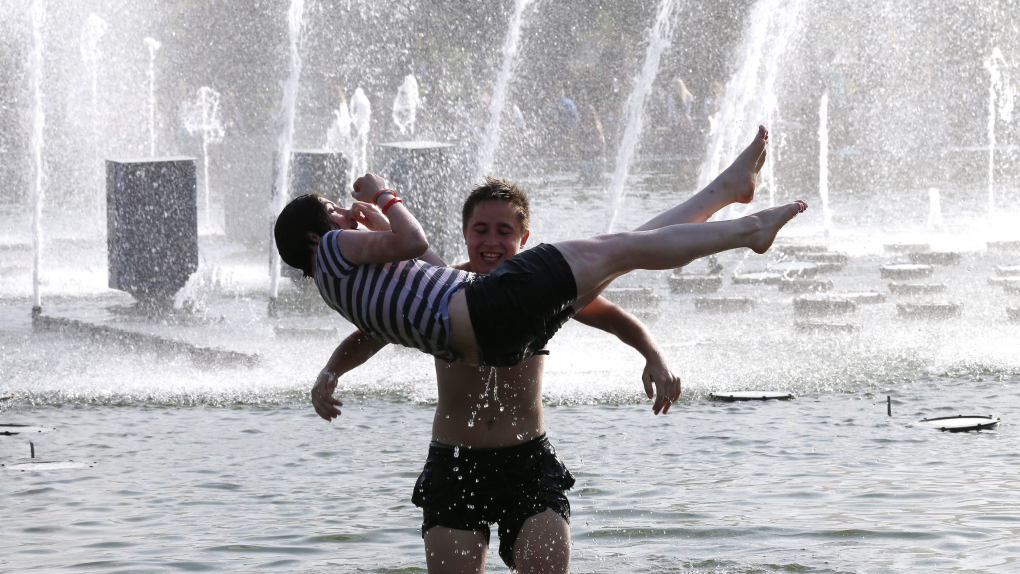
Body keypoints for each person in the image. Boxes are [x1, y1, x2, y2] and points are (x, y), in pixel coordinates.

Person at [310, 179, 687, 573]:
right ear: (465, 234)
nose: (491, 241)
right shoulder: (439, 290)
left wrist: (655, 357)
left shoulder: (539, 294)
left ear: (523, 238)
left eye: (504, 232)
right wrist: (331, 371)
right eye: (481, 230)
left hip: (527, 461)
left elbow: (614, 317)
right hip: (455, 464)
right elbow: (372, 333)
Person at [274, 125, 805, 371]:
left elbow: (418, 279)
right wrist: (383, 197)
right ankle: (748, 230)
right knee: (623, 248)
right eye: (337, 211)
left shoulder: (341, 286)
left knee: (627, 247)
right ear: (318, 237)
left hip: (495, 335)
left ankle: (724, 194)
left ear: (520, 238)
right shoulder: (337, 249)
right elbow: (414, 240)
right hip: (493, 310)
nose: (348, 214)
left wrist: (329, 374)